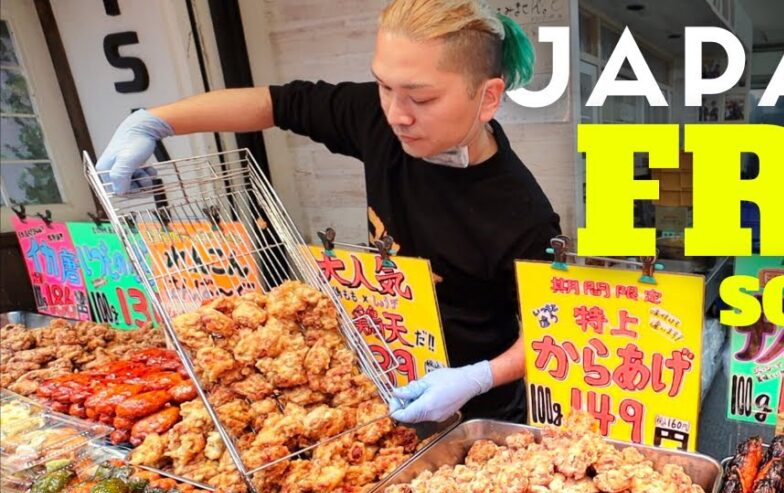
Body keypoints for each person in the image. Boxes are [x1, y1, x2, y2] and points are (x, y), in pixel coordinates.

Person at [95, 0, 561, 424]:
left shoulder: (521, 213)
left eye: (421, 98)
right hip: (381, 373)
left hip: (472, 411)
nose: (397, 114)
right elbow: (277, 103)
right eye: (384, 86)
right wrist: (155, 121)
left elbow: (551, 331)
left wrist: (477, 378)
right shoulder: (378, 118)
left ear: (489, 96)